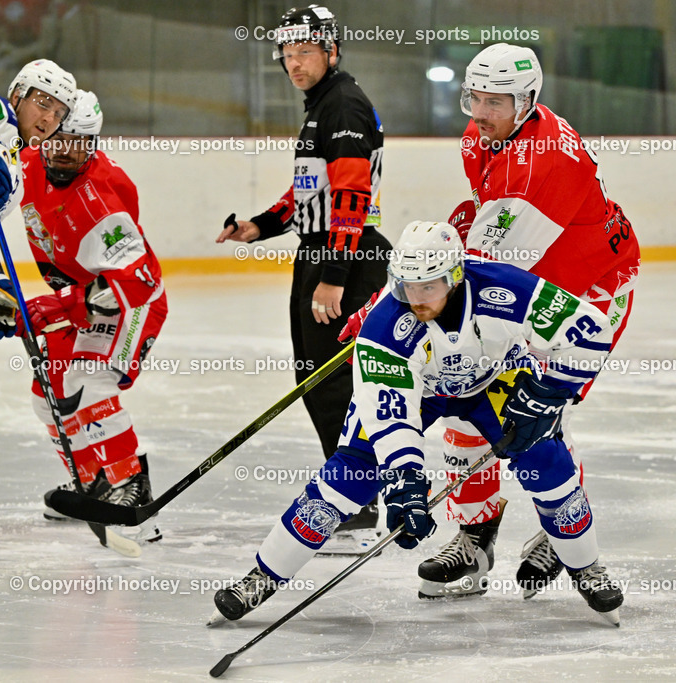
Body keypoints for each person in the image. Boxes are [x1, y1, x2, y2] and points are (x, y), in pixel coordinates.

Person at [212, 221, 625, 625]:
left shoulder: (506, 286)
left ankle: (586, 567)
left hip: (494, 378)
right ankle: (262, 576)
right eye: (407, 285)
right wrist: (406, 482)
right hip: (421, 392)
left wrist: (549, 391)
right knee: (347, 476)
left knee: (547, 462)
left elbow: (588, 331)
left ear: (456, 275)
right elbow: (389, 415)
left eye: (429, 286)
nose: (416, 298)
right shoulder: (384, 329)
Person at [414, 43, 640, 599]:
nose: (481, 112)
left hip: (585, 297)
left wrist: (407, 306)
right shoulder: (486, 137)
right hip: (531, 281)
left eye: (497, 101)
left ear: (528, 101)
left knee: (537, 412)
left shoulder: (543, 164)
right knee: (468, 400)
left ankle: (553, 531)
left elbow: (490, 271)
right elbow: (482, 223)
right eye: (475, 98)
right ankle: (474, 535)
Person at [215, 5, 389, 551]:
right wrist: (259, 226)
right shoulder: (323, 104)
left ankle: (357, 503)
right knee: (317, 376)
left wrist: (335, 275)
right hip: (325, 255)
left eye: (304, 51)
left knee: (332, 380)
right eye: (287, 54)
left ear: (331, 50)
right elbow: (309, 193)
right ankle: (351, 494)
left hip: (344, 260)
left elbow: (352, 197)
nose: (294, 62)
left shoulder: (343, 104)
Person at [19, 89, 168, 542]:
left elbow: (140, 280)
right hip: (80, 295)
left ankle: (133, 489)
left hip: (129, 304)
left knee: (87, 378)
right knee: (46, 394)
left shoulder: (99, 200)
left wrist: (57, 306)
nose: (66, 152)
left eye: (80, 143)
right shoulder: (28, 163)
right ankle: (92, 482)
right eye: (58, 141)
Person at [0, 59, 77, 340]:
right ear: (17, 96)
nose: (49, 119)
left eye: (59, 113)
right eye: (44, 103)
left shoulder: (16, 189)